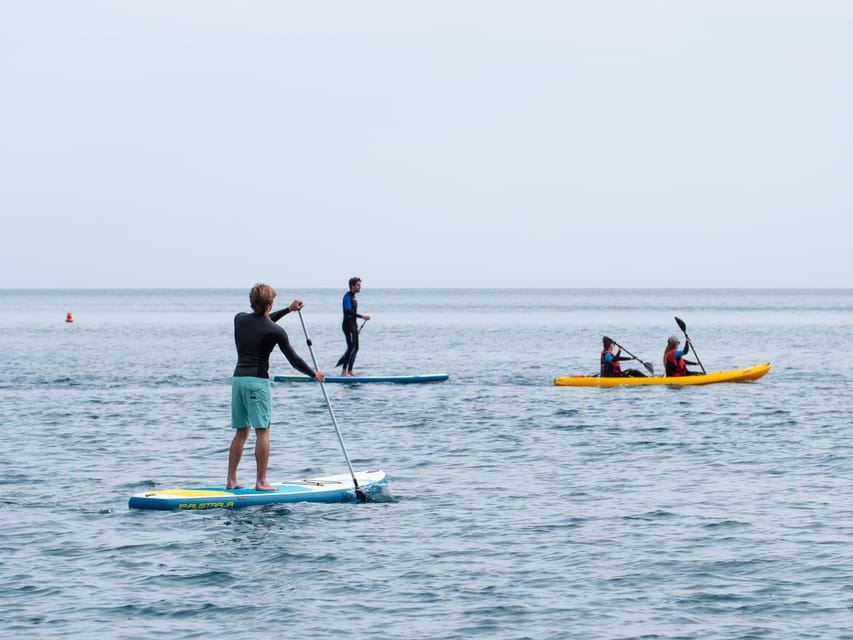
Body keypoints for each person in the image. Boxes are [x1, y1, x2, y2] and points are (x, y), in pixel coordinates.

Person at [227, 283, 324, 491]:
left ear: (252, 301)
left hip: (238, 381)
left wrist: (288, 310)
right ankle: (261, 481)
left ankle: (231, 480)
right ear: (270, 304)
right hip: (257, 383)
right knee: (263, 431)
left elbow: (260, 321)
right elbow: (294, 359)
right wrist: (313, 374)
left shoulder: (239, 320)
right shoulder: (276, 331)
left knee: (241, 432)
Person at [338, 276, 370, 377]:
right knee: (351, 347)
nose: (360, 287)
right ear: (352, 285)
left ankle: (350, 371)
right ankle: (343, 372)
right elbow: (348, 311)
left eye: (360, 285)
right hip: (347, 326)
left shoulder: (354, 297)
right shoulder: (347, 297)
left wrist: (356, 327)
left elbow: (353, 314)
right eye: (358, 285)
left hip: (353, 326)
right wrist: (362, 317)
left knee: (356, 348)